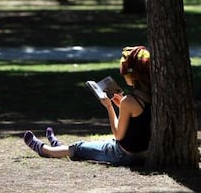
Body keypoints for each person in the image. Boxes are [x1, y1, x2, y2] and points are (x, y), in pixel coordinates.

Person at [23, 46, 151, 166]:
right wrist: (121, 106)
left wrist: (109, 107)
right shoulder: (153, 95)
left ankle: (46, 150)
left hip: (122, 154)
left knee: (78, 148)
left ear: (132, 75)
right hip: (143, 154)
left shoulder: (129, 101)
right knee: (95, 144)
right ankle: (58, 147)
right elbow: (137, 123)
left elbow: (118, 135)